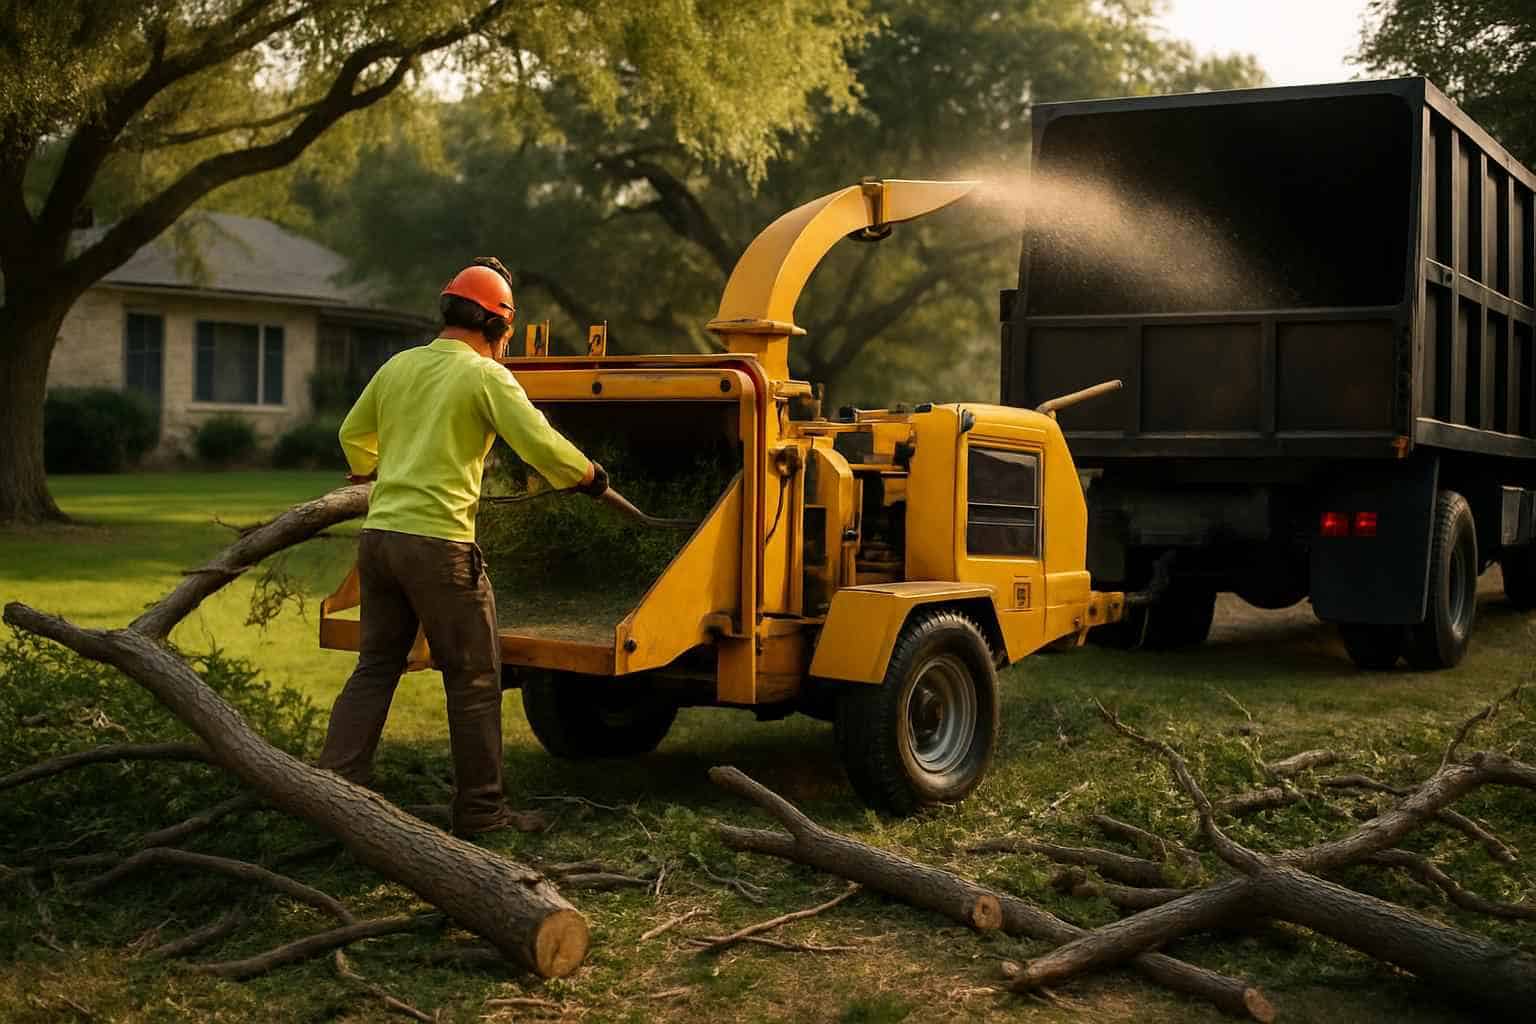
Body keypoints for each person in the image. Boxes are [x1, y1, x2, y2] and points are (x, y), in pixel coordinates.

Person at [319, 257, 607, 836]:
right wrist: (588, 476)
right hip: (439, 547)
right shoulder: (484, 376)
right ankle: (481, 813)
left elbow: (352, 432)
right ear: (498, 326)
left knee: (375, 667)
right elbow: (538, 442)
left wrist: (373, 469)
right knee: (473, 678)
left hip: (380, 541)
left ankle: (330, 795)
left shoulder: (399, 366)